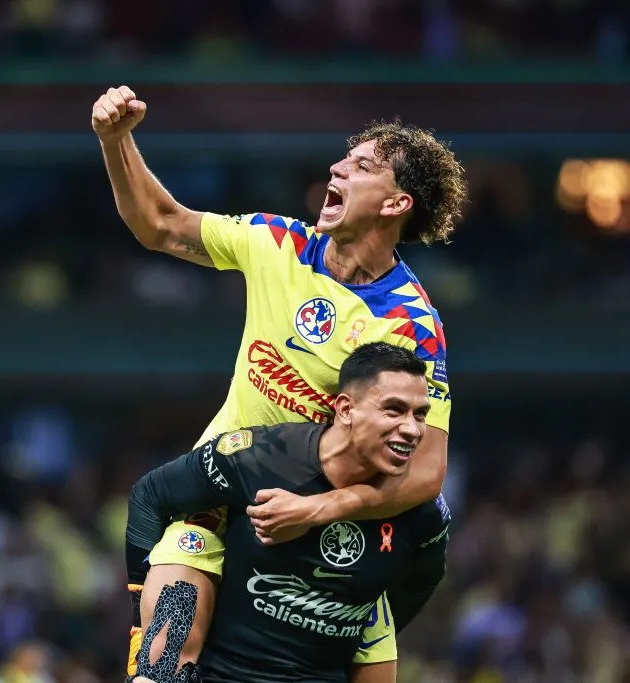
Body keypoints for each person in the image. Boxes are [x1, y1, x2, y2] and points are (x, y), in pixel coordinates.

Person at [91, 85, 467, 676]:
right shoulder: (277, 242)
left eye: (362, 166)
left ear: (396, 205)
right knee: (164, 659)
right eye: (345, 157)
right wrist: (116, 141)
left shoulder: (410, 327)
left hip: (315, 525)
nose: (337, 167)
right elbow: (160, 225)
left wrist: (317, 511)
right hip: (215, 498)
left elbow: (426, 473)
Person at [125, 343, 451, 683]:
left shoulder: (421, 513)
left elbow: (421, 581)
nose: (412, 430)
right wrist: (137, 619)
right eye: (394, 410)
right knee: (189, 540)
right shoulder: (261, 458)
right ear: (345, 409)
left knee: (378, 624)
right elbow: (150, 495)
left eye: (420, 414)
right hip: (220, 670)